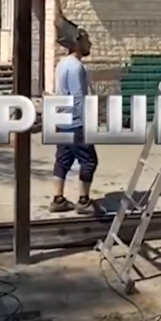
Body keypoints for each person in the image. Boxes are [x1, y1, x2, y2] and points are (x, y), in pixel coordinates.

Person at [50, 20, 102, 216]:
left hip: (62, 121)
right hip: (76, 123)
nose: (90, 44)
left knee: (63, 160)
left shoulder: (62, 64)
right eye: (87, 40)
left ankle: (58, 199)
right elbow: (78, 97)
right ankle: (84, 201)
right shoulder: (76, 67)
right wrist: (87, 123)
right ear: (77, 42)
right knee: (89, 161)